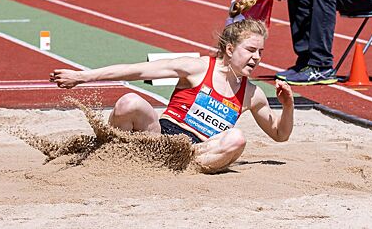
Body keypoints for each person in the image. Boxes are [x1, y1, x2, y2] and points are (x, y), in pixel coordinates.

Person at [50, 19, 295, 173]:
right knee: (129, 102)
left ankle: (179, 170)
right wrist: (82, 77)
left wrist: (288, 106)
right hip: (158, 139)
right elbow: (136, 70)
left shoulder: (252, 94)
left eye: (260, 52)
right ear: (230, 49)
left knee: (237, 139)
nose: (256, 57)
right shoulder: (197, 68)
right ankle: (111, 154)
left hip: (196, 153)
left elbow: (280, 134)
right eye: (251, 50)